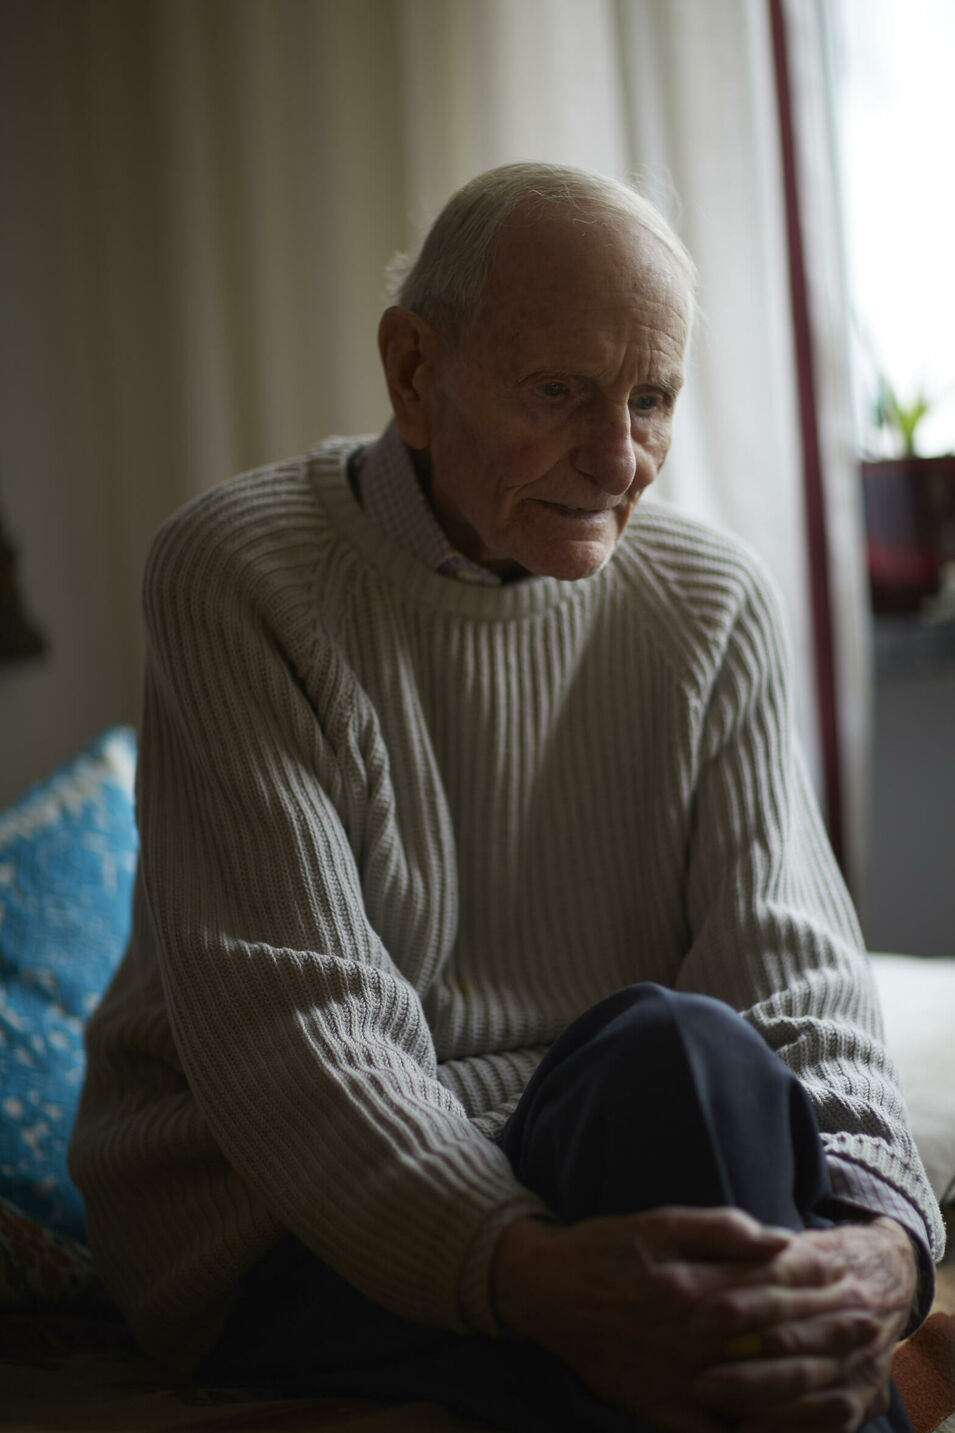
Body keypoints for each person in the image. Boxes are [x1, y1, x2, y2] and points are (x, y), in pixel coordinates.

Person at [70, 163, 944, 1433]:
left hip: (623, 1151)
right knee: (715, 1343)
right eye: (560, 394)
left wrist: (885, 1245)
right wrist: (533, 1273)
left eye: (651, 400)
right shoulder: (240, 576)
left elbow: (795, 970)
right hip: (284, 1216)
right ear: (414, 374)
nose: (615, 459)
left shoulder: (710, 601)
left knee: (685, 1056)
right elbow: (303, 1037)